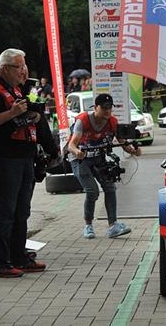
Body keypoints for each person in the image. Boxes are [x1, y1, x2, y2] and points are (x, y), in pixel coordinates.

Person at [0, 48, 45, 278]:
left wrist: (33, 115)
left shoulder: (16, 88)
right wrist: (12, 113)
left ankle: (18, 257)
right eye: (19, 67)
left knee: (21, 211)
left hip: (23, 157)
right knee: (4, 212)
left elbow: (26, 113)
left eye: (24, 66)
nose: (23, 71)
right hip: (3, 158)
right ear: (5, 68)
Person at [67, 94, 141, 239]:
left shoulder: (112, 122)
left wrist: (134, 151)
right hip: (79, 160)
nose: (107, 111)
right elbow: (71, 145)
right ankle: (88, 225)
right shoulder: (83, 120)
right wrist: (77, 152)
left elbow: (123, 143)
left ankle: (113, 225)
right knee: (92, 191)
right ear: (96, 107)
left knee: (110, 188)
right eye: (104, 108)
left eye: (109, 107)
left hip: (98, 158)